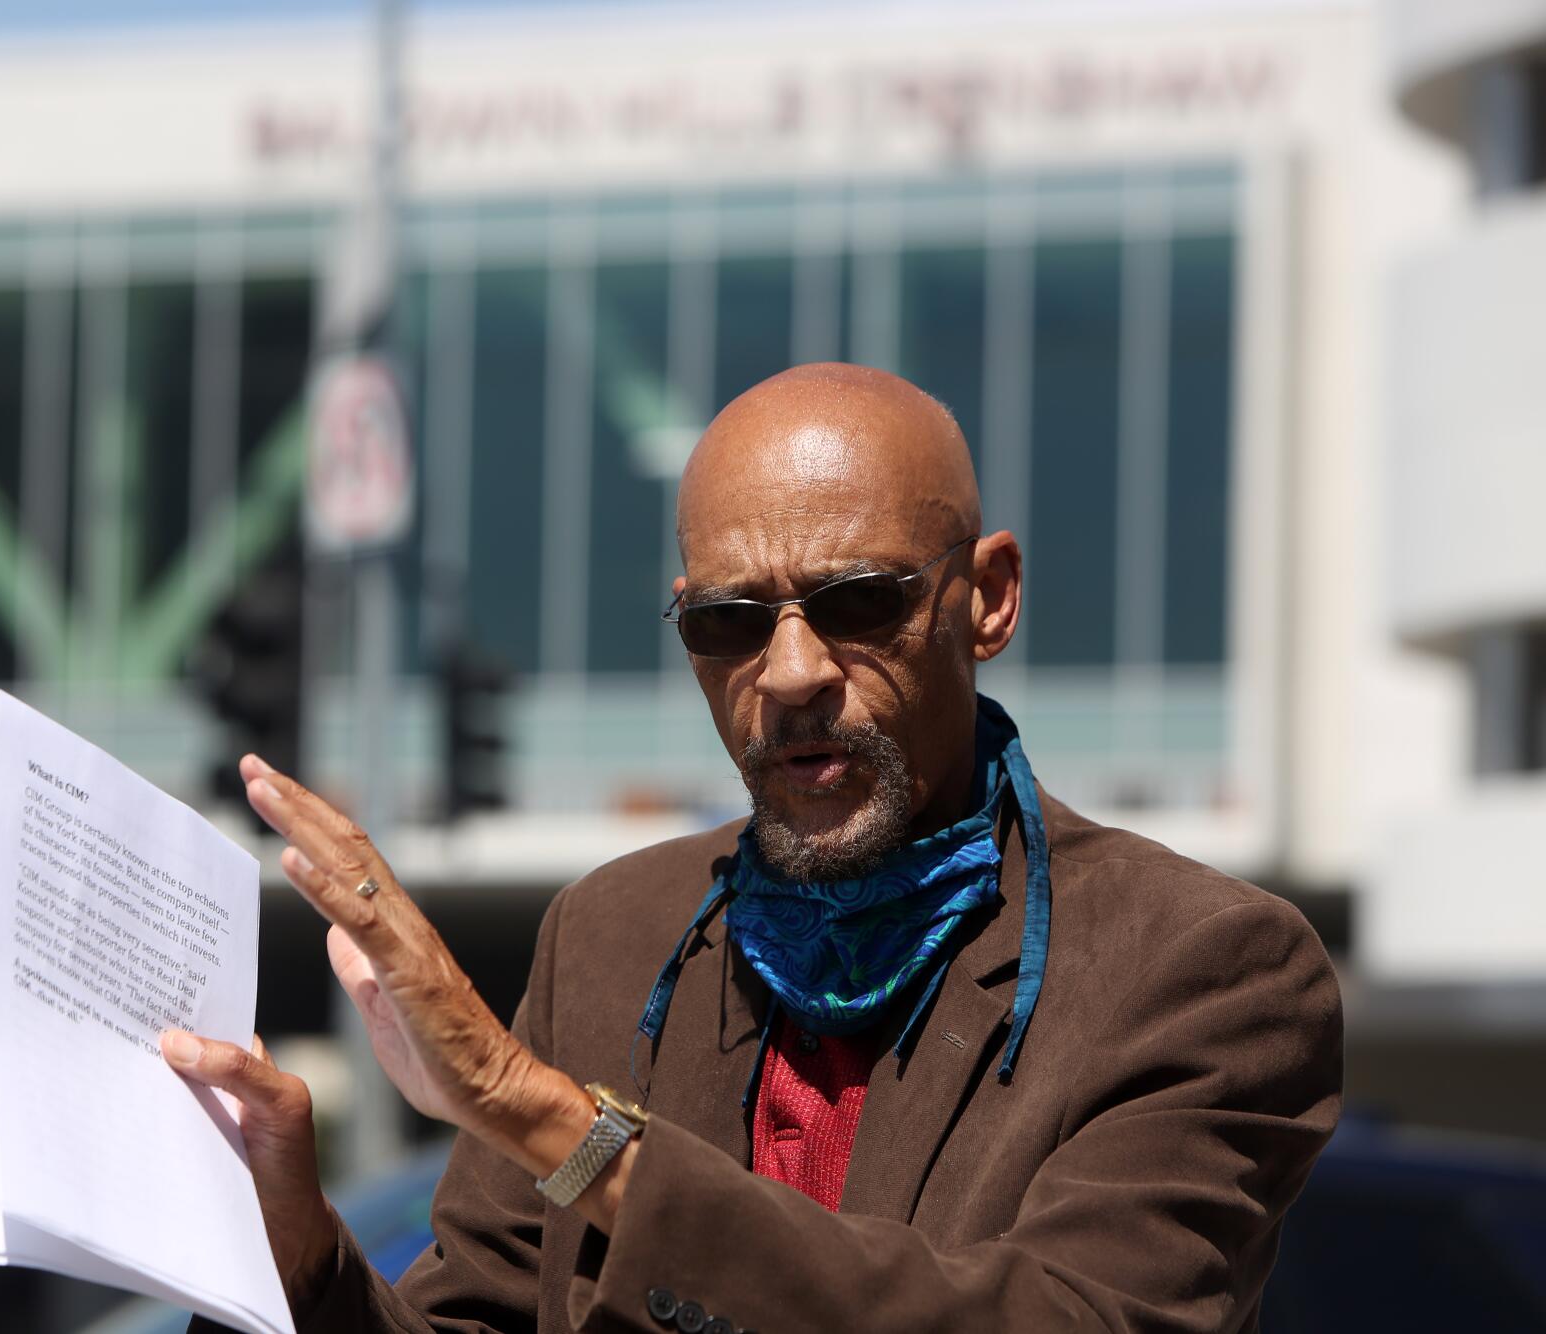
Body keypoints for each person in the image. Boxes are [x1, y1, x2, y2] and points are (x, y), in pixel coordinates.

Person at [161, 364, 1342, 1334]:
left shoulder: (1201, 963)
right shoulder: (611, 935)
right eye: (729, 622)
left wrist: (551, 1120)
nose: (787, 674)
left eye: (858, 603)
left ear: (986, 596)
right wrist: (293, 1239)